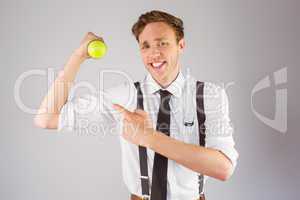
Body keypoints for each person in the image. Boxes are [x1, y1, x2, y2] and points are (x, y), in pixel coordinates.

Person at [34, 10, 238, 200]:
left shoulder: (209, 95)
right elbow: (46, 118)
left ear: (181, 45)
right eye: (145, 46)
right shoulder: (126, 96)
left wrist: (149, 138)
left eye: (162, 43)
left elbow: (223, 169)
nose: (154, 53)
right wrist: (77, 57)